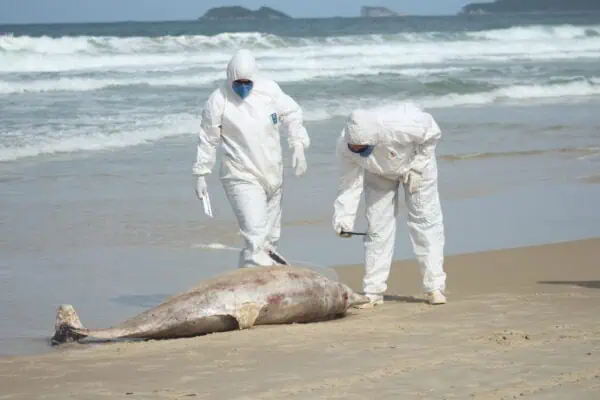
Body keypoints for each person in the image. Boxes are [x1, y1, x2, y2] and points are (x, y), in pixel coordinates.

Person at [192, 49, 310, 268]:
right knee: (255, 236)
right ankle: (252, 285)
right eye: (238, 82)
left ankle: (258, 284)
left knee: (269, 241)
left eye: (247, 82)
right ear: (229, 78)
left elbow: (292, 114)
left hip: (273, 173)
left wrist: (298, 145)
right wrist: (200, 173)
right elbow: (208, 138)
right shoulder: (218, 100)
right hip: (240, 174)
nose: (243, 87)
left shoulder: (269, 91)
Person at [332, 102, 447, 308]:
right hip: (378, 172)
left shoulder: (401, 123)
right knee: (377, 228)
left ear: (374, 139)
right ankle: (373, 291)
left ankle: (434, 287)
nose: (358, 151)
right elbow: (348, 183)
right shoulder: (345, 145)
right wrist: (343, 218)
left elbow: (432, 134)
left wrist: (418, 167)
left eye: (363, 148)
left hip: (415, 164)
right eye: (355, 149)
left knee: (425, 223)